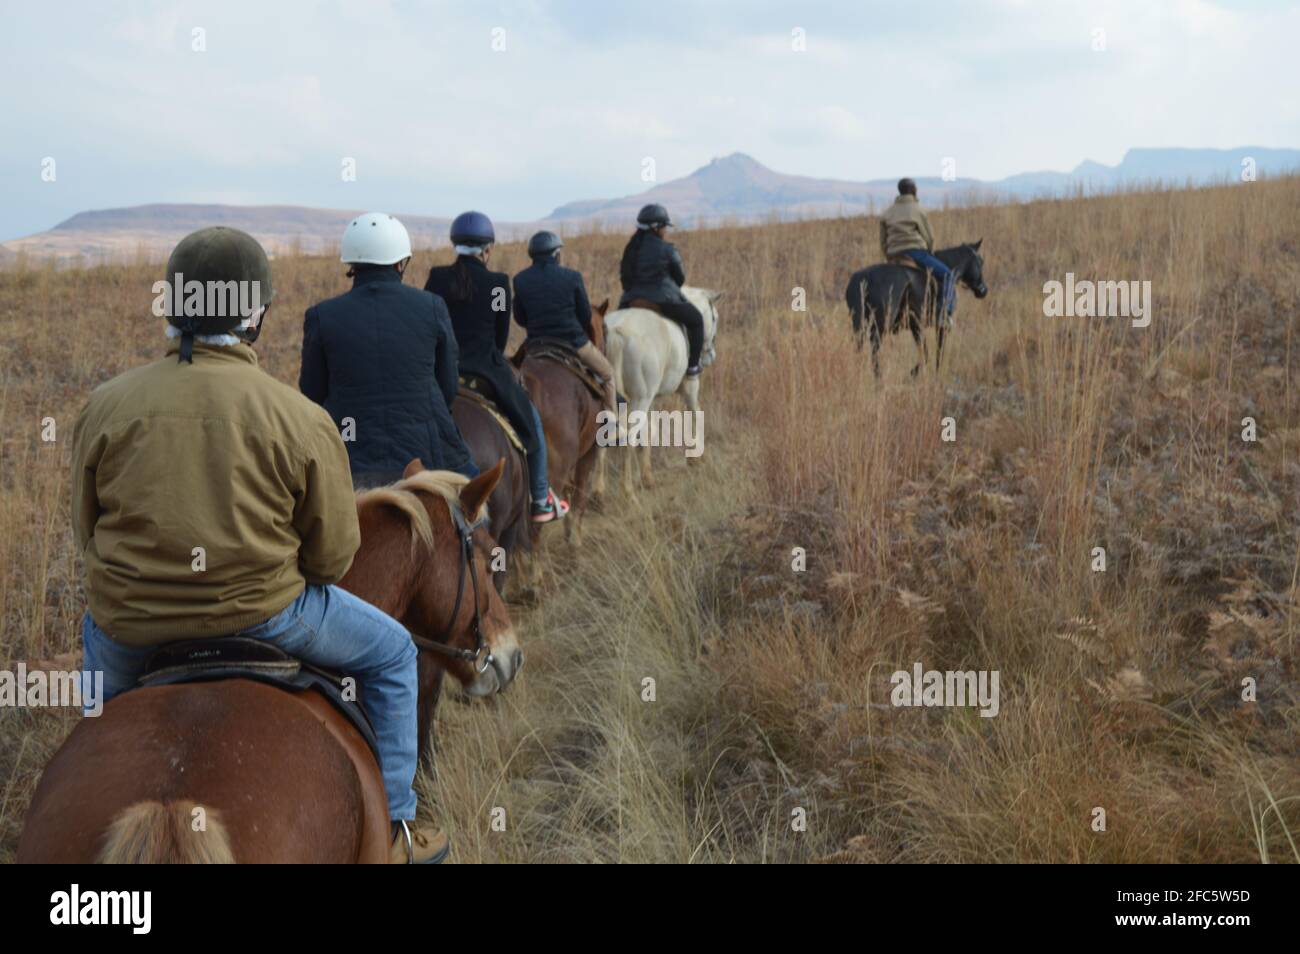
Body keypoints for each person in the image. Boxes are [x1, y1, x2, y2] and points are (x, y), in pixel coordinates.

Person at [73, 226, 447, 863]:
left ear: (173, 307)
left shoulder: (105, 405)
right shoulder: (299, 417)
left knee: (92, 719)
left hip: (131, 626)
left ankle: (84, 778)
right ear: (257, 315)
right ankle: (399, 830)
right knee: (391, 654)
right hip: (270, 617)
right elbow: (331, 560)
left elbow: (88, 535)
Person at [301, 212, 477, 489]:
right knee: (476, 507)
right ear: (401, 262)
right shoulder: (432, 306)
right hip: (428, 451)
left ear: (352, 263)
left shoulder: (322, 315)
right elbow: (448, 387)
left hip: (349, 454)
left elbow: (312, 392)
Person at [425, 211, 568, 523]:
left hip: (439, 374)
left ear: (454, 246)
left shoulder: (436, 279)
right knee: (531, 422)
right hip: (486, 373)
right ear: (487, 250)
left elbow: (429, 325)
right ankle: (541, 497)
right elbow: (501, 337)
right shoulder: (499, 286)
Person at [513, 230, 616, 414]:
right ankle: (611, 427)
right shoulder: (572, 277)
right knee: (608, 374)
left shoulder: (520, 280)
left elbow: (520, 318)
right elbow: (585, 316)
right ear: (556, 254)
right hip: (574, 343)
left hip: (536, 345)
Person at [617, 203, 704, 376]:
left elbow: (624, 279)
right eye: (664, 226)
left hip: (631, 299)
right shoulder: (668, 249)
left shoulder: (630, 250)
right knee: (696, 320)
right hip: (664, 300)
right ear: (656, 228)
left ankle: (619, 403)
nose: (666, 230)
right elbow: (680, 278)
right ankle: (693, 366)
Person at [879, 178, 955, 324]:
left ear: (900, 191)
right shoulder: (918, 210)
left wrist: (889, 256)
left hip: (894, 254)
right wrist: (929, 253)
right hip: (916, 253)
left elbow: (883, 241)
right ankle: (944, 314)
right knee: (948, 276)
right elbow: (929, 236)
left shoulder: (887, 213)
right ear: (913, 190)